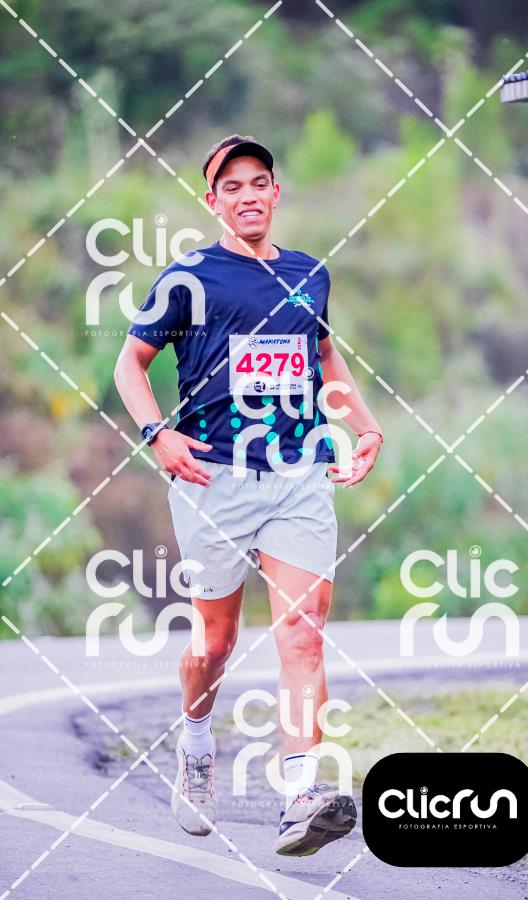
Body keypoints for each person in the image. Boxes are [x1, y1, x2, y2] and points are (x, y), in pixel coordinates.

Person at [114, 134, 383, 856]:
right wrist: (157, 435)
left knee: (303, 631)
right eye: (231, 187)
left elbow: (322, 352)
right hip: (213, 478)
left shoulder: (309, 273)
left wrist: (362, 424)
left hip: (298, 473)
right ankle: (197, 742)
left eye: (258, 182)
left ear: (275, 191)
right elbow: (130, 364)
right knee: (216, 643)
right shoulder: (188, 279)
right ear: (213, 202)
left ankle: (301, 796)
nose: (248, 195)